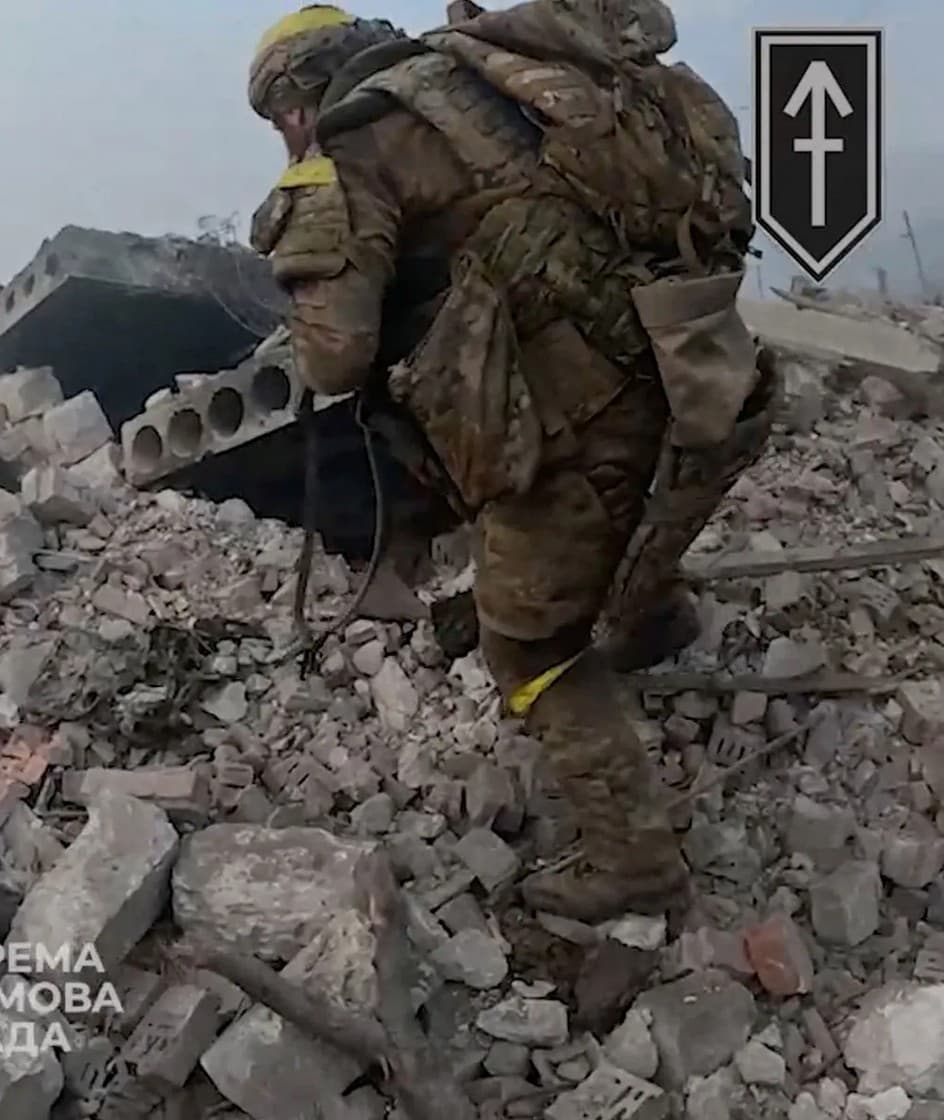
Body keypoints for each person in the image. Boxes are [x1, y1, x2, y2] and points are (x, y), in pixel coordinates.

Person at [245, 0, 775, 920]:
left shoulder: (357, 140)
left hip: (578, 418)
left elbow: (334, 358)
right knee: (620, 511)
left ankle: (634, 863)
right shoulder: (500, 80)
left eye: (277, 120)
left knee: (528, 641)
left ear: (294, 101)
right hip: (700, 367)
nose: (286, 135)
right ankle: (653, 621)